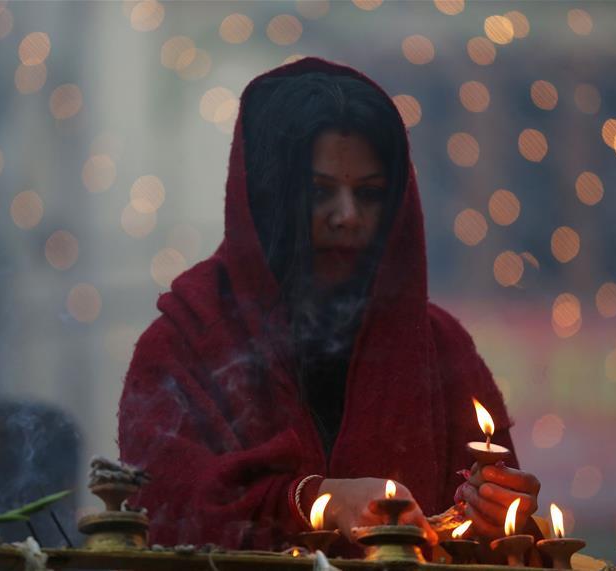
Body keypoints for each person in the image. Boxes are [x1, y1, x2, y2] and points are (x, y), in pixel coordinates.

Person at [118, 57, 542, 552]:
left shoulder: (439, 350)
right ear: (269, 198)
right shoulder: (186, 343)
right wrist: (315, 501)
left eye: (369, 194)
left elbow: (507, 542)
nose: (347, 216)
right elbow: (159, 508)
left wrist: (502, 522)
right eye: (320, 192)